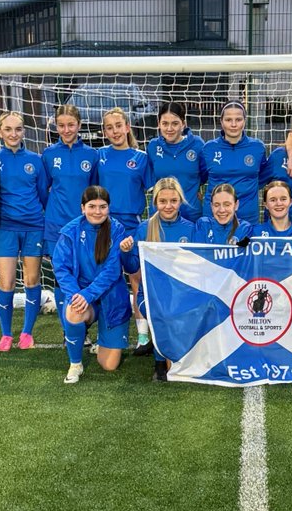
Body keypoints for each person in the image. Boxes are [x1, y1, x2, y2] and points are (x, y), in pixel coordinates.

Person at [51, 185, 131, 384]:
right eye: (92, 206)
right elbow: (61, 268)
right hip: (84, 295)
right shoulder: (70, 232)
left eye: (102, 207)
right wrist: (78, 295)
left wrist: (88, 294)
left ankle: (101, 342)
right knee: (73, 310)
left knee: (109, 365)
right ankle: (75, 364)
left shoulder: (117, 229)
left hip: (111, 297)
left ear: (108, 208)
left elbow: (112, 271)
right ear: (82, 208)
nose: (97, 211)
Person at [119, 177, 196, 382]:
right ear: (155, 203)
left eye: (173, 201)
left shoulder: (191, 229)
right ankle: (159, 362)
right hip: (151, 295)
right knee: (161, 312)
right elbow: (133, 267)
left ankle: (180, 351)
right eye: (163, 201)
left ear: (180, 201)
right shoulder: (145, 229)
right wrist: (126, 253)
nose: (168, 206)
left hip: (181, 292)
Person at [97, 106, 154, 354]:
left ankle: (143, 337)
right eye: (109, 127)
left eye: (118, 126)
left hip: (131, 226)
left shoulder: (141, 158)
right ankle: (103, 334)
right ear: (104, 132)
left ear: (127, 127)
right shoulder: (99, 156)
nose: (115, 131)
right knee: (104, 279)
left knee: (137, 279)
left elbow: (153, 192)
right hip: (103, 226)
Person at [0, 111, 46, 351]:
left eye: (18, 129)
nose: (13, 134)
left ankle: (26, 332)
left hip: (33, 226)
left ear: (24, 132)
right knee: (6, 282)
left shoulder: (36, 160)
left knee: (32, 279)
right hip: (5, 228)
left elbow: (44, 195)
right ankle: (6, 334)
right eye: (8, 129)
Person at [41, 103, 99, 320]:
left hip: (85, 226)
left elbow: (94, 191)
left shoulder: (91, 155)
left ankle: (83, 325)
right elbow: (43, 190)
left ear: (79, 125)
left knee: (84, 274)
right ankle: (69, 330)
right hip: (56, 225)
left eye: (71, 125)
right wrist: (55, 210)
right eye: (61, 125)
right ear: (56, 127)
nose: (66, 130)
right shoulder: (48, 155)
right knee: (61, 276)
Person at [201, 101, 269, 224]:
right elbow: (199, 177)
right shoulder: (208, 148)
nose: (233, 124)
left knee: (244, 243)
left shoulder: (257, 148)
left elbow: (262, 177)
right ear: (221, 122)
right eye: (228, 120)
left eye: (238, 119)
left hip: (247, 219)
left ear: (244, 121)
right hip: (214, 217)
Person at [146, 100, 207, 222]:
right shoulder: (153, 146)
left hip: (191, 215)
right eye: (165, 123)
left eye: (175, 123)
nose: (169, 128)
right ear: (159, 124)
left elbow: (204, 175)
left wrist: (192, 188)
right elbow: (150, 176)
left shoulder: (197, 144)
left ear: (183, 124)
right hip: (160, 215)